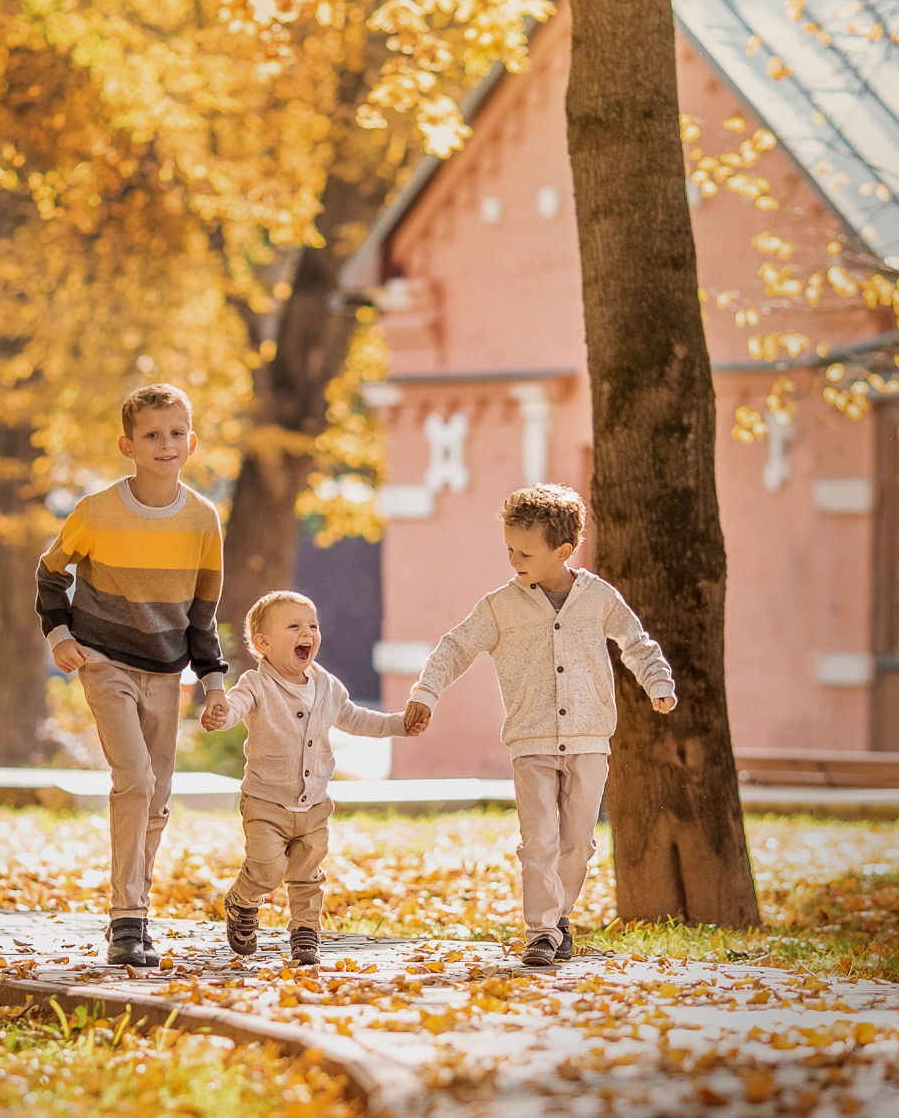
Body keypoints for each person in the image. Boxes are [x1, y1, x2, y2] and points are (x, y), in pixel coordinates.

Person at [403, 484, 676, 967]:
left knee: (577, 844)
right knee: (539, 841)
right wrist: (426, 692)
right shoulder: (500, 606)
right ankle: (541, 932)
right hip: (530, 740)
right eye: (508, 548)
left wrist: (657, 681)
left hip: (591, 738)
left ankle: (558, 918)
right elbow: (455, 648)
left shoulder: (598, 598)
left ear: (563, 551)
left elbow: (636, 642)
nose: (513, 559)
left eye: (525, 551)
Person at [37, 383, 229, 968]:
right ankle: (126, 918)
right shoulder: (96, 511)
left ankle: (135, 911)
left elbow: (203, 613)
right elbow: (50, 575)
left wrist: (214, 681)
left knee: (159, 797)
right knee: (136, 781)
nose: (165, 444)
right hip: (104, 662)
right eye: (151, 435)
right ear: (128, 445)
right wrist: (60, 635)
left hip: (167, 672)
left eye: (175, 434)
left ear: (191, 442)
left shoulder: (202, 519)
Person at [204, 591, 407, 966]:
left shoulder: (326, 685)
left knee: (307, 874)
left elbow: (355, 717)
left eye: (312, 625)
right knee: (268, 869)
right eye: (294, 626)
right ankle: (243, 899)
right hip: (266, 801)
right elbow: (235, 707)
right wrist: (221, 715)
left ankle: (305, 934)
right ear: (263, 643)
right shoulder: (256, 684)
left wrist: (399, 724)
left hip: (314, 804)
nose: (308, 633)